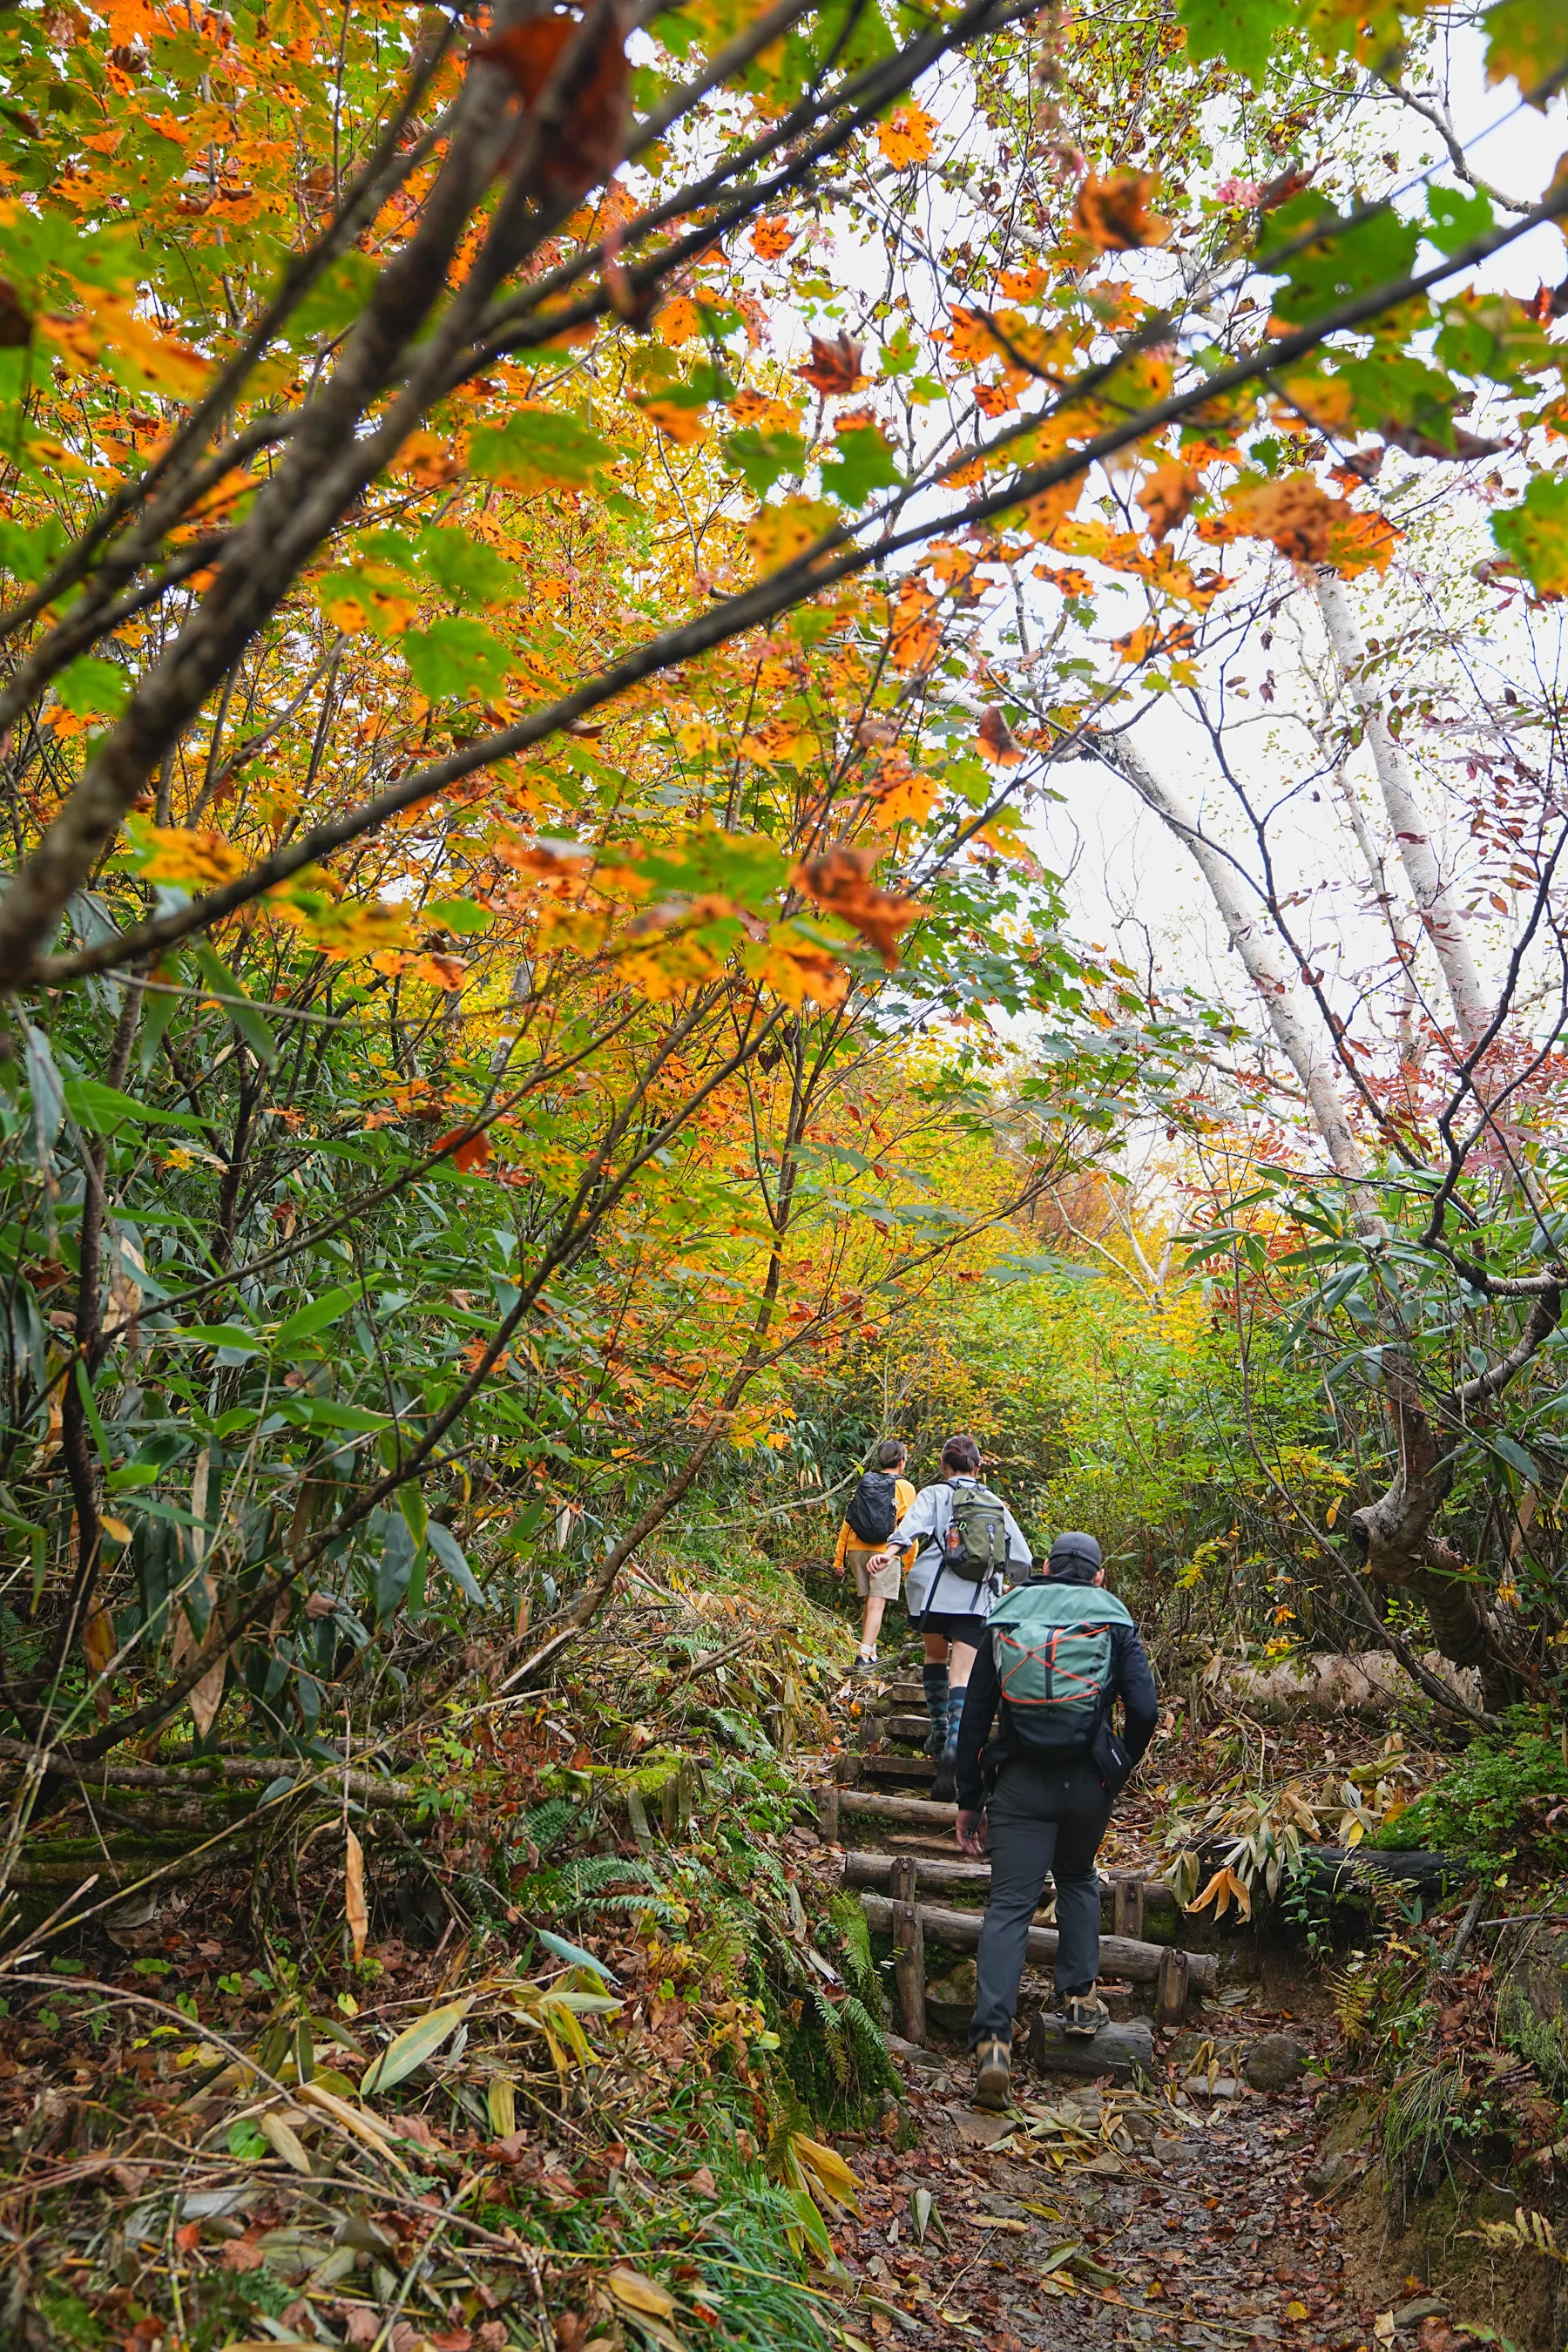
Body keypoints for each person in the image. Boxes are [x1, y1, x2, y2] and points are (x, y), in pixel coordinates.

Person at [951, 1529, 1158, 2112]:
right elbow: (1144, 1709)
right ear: (1099, 1575)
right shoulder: (1111, 1617)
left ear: (1043, 1566)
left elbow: (975, 1716)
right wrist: (1118, 1764)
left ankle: (993, 2039)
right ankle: (1078, 1998)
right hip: (1087, 1781)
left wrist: (970, 1797)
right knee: (1075, 1876)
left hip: (1018, 1783)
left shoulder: (1008, 1611)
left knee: (1009, 1904)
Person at [871, 1435, 1031, 1800]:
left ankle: (939, 1729)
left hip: (933, 1593)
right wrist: (1016, 1590)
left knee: (934, 1656)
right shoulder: (995, 1504)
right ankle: (954, 1748)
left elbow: (910, 1530)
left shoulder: (934, 1494)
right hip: (976, 1599)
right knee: (962, 1674)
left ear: (944, 1465)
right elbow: (1021, 1559)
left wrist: (889, 1554)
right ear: (977, 1467)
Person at [833, 1439, 916, 1677]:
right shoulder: (905, 1487)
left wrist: (839, 1559)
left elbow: (848, 1520)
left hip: (856, 1549)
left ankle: (871, 1651)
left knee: (871, 1600)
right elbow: (910, 1528)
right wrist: (911, 1564)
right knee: (878, 1602)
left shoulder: (866, 1481)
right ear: (901, 1462)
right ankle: (863, 1655)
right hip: (885, 1551)